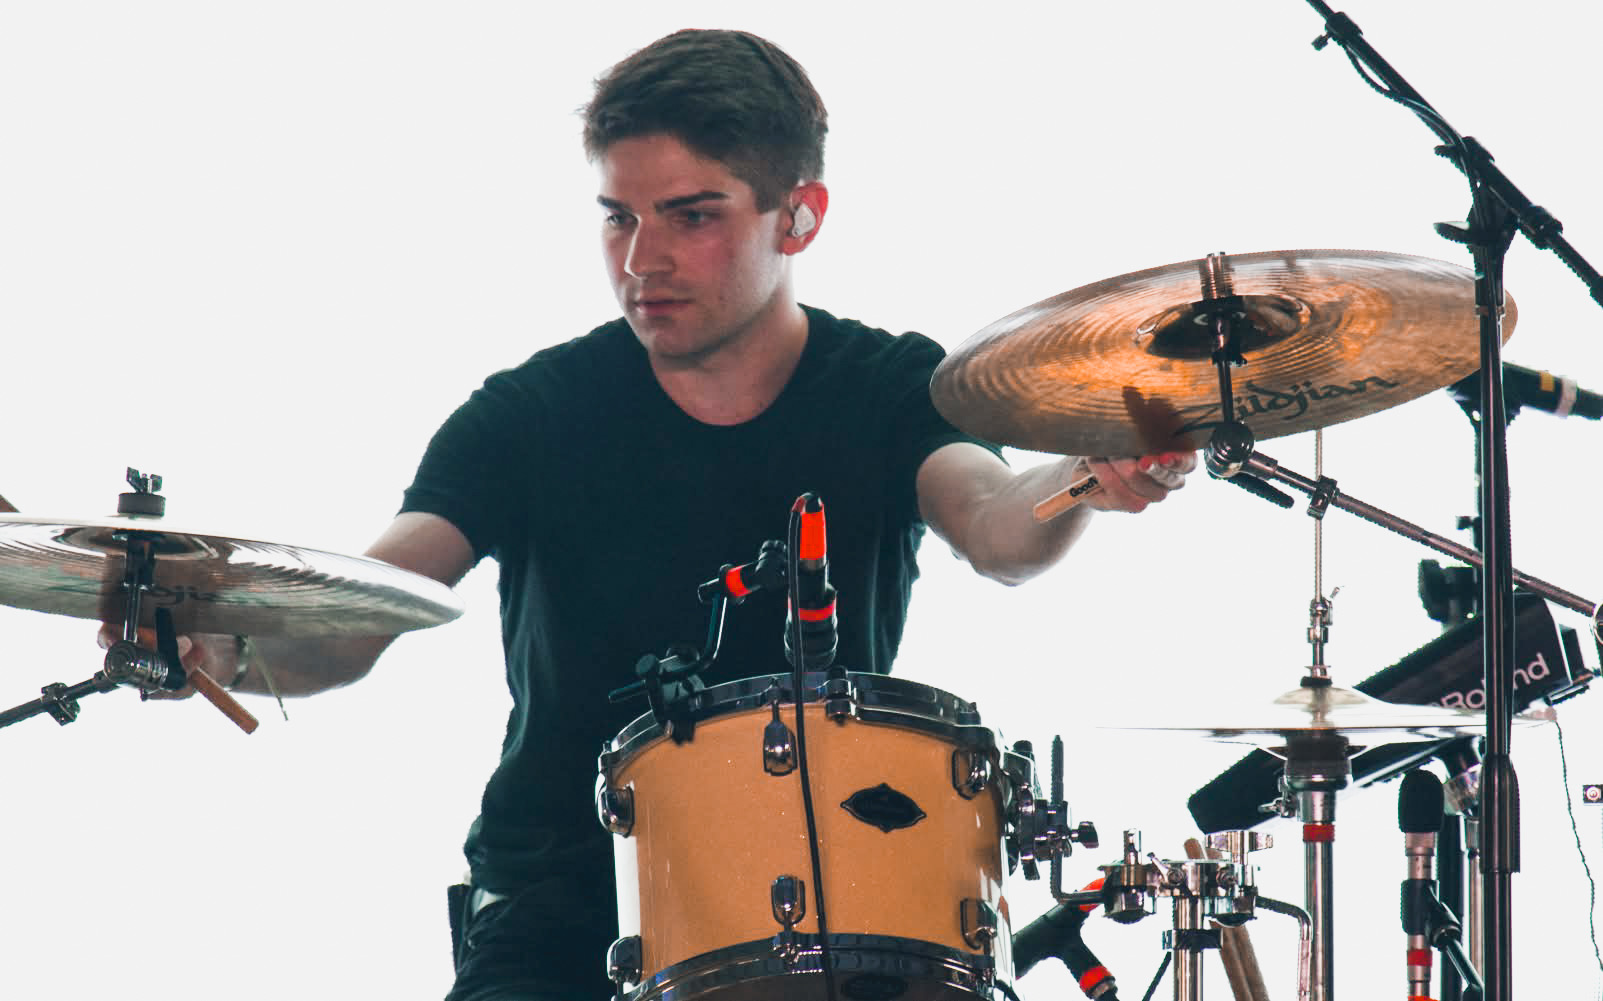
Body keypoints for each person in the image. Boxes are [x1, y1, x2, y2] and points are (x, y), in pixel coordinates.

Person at [137, 28, 1193, 1001]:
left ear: (800, 215)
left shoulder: (887, 387)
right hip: (557, 910)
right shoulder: (529, 413)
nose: (642, 259)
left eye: (692, 216)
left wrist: (1085, 471)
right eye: (618, 216)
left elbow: (999, 527)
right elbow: (363, 612)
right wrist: (216, 646)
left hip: (829, 910)